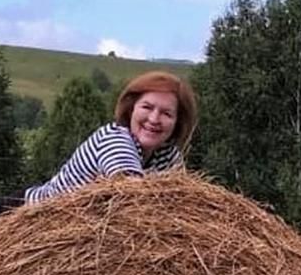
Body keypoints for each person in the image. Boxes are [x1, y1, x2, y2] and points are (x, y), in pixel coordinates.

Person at [23, 71, 196, 205]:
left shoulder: (169, 155)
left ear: (177, 122)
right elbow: (133, 196)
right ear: (131, 109)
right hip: (26, 213)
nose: (154, 119)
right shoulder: (115, 139)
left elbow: (179, 203)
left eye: (166, 113)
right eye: (147, 107)